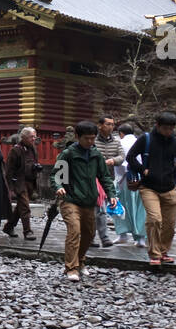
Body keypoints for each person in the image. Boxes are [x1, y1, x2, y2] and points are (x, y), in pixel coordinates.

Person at [124, 111, 176, 267]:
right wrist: (142, 170)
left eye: (171, 129)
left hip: (169, 187)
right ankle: (155, 254)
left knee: (169, 224)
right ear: (157, 126)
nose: (168, 132)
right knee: (154, 219)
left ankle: (164, 251)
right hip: (148, 187)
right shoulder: (146, 139)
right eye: (165, 128)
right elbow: (130, 156)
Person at [53, 122, 119, 281]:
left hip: (89, 200)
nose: (90, 142)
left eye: (92, 138)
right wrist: (59, 186)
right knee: (74, 231)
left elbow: (105, 177)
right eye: (87, 138)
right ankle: (71, 267)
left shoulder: (96, 155)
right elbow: (56, 175)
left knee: (89, 234)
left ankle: (80, 260)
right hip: (70, 199)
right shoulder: (68, 153)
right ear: (77, 137)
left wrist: (111, 194)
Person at [92, 115, 126, 247]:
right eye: (108, 124)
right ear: (100, 125)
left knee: (102, 207)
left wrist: (114, 160)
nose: (111, 127)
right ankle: (98, 237)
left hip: (108, 177)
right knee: (97, 207)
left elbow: (122, 156)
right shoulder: (93, 140)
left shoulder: (116, 141)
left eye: (112, 124)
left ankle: (101, 237)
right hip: (93, 178)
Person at [2, 126, 40, 240]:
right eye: (31, 137)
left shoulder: (33, 148)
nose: (33, 139)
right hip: (19, 182)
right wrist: (10, 186)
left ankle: (9, 226)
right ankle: (27, 231)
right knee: (25, 207)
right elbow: (9, 170)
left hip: (30, 181)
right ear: (23, 137)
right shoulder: (16, 150)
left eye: (34, 137)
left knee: (20, 207)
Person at [116, 123, 147, 248]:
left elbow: (119, 162)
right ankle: (140, 238)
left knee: (121, 207)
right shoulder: (140, 142)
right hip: (142, 177)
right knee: (140, 208)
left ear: (121, 133)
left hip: (125, 179)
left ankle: (122, 233)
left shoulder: (120, 143)